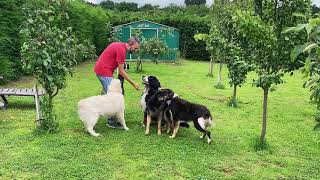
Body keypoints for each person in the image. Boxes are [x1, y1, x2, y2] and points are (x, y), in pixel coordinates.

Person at [94, 37, 140, 128]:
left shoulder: (119, 45)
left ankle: (97, 110)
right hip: (104, 72)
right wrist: (133, 83)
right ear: (130, 44)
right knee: (113, 97)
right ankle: (111, 121)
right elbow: (122, 71)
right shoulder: (122, 50)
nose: (135, 50)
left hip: (101, 69)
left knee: (105, 95)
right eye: (135, 48)